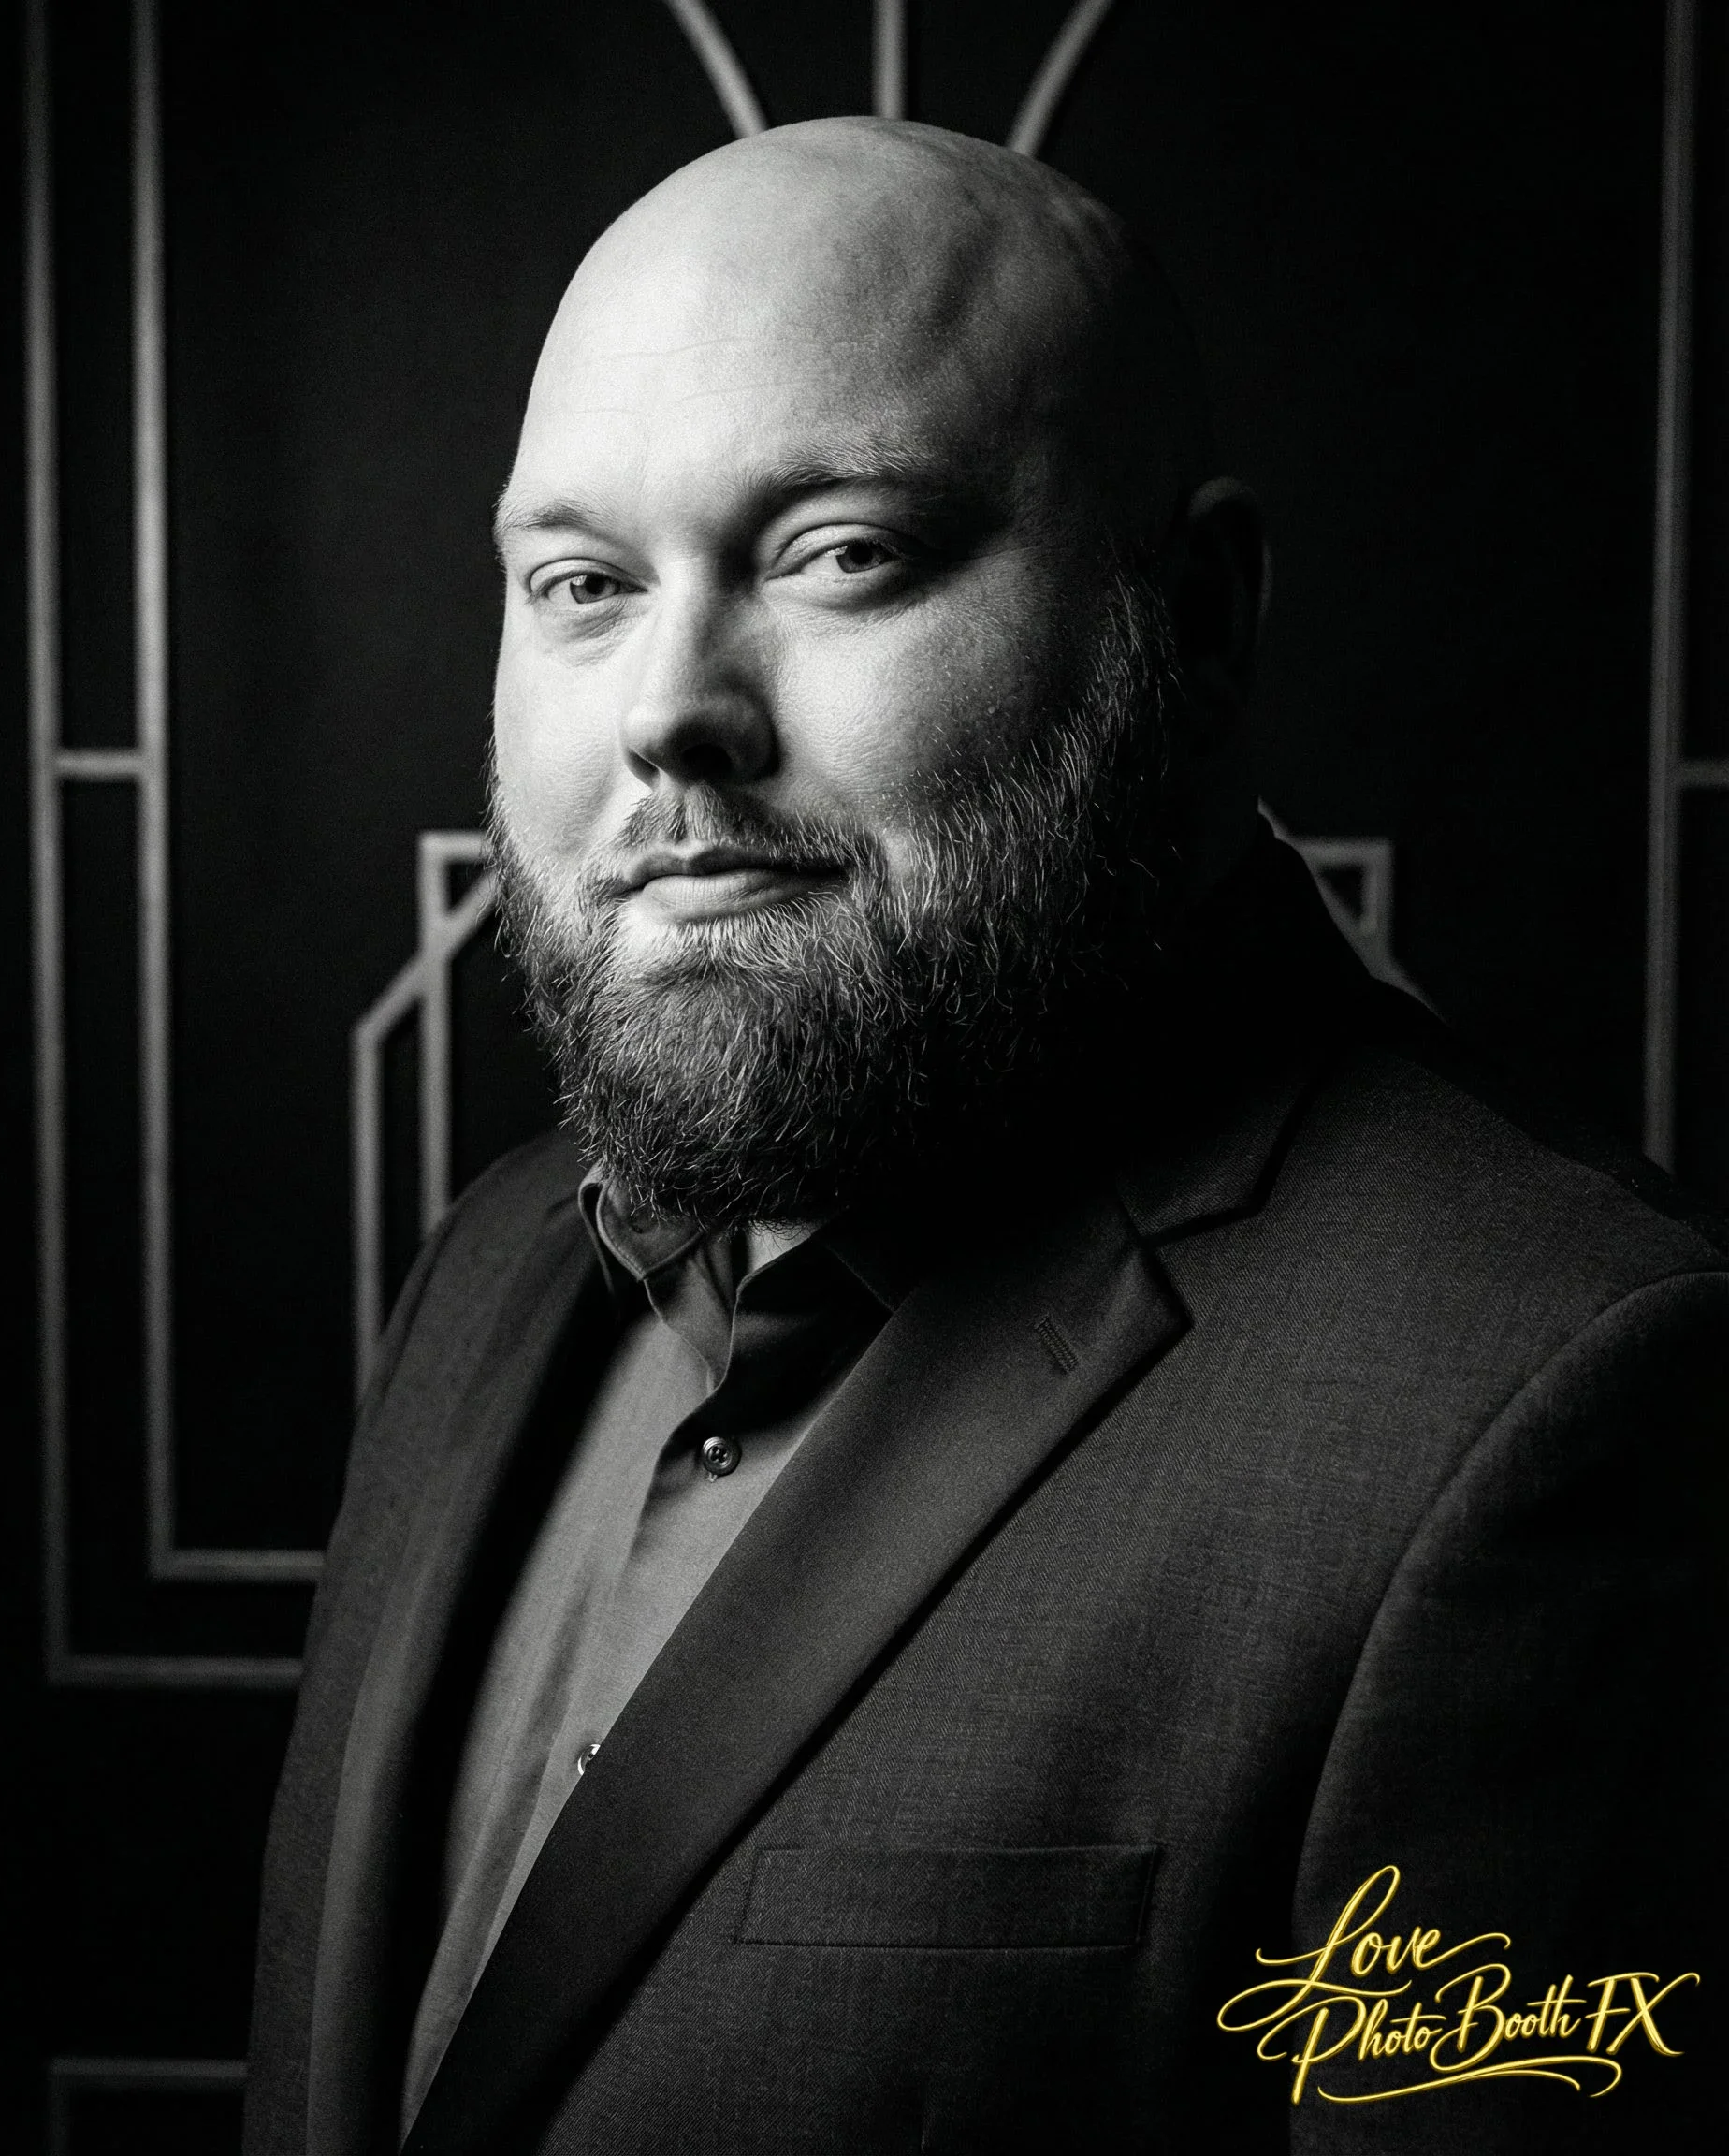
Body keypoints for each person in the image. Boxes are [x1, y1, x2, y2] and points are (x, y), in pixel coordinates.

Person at [245, 119, 1725, 2155]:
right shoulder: (488, 1270)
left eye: (839, 553)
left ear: (1194, 616)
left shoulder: (1559, 1393)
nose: (671, 707)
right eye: (579, 584)